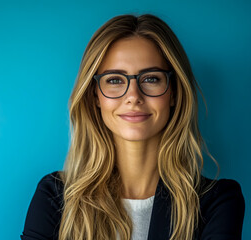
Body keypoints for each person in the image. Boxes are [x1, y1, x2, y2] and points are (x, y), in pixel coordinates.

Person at [20, 14, 245, 240]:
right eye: (115, 80)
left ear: (174, 92)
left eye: (151, 79)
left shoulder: (217, 201)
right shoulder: (55, 196)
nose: (133, 96)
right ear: (95, 95)